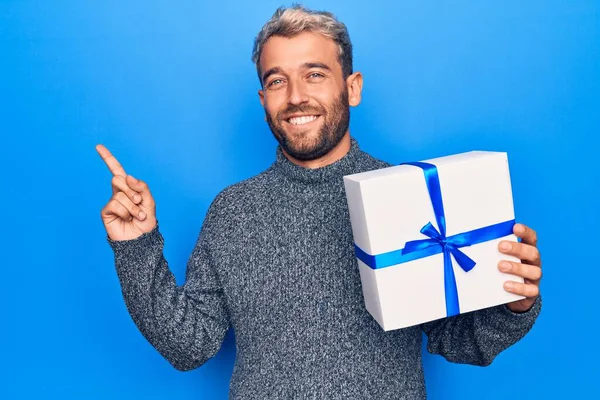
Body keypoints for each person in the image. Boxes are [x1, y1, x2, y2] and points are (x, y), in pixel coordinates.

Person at [97, 5, 542, 399]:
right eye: (277, 81)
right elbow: (189, 347)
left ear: (352, 87)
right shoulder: (232, 211)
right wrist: (137, 248)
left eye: (314, 74)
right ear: (263, 99)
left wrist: (514, 302)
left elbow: (458, 340)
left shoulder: (405, 195)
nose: (295, 97)